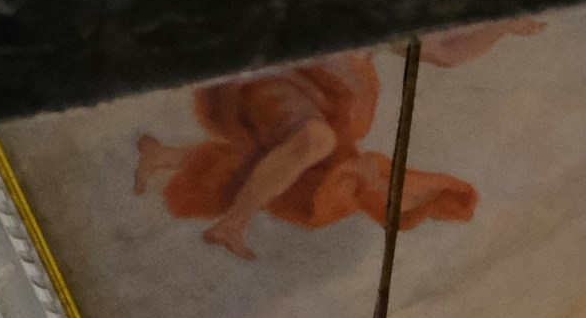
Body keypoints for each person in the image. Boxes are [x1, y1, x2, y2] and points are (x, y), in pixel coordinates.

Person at [132, 55, 479, 255]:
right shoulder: (357, 175)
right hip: (285, 74)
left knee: (277, 159)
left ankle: (163, 156)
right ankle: (232, 222)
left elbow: (443, 51)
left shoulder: (344, 186)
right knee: (313, 140)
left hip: (312, 88)